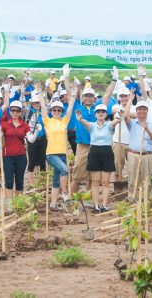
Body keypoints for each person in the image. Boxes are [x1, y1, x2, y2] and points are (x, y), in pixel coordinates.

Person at [69, 72, 116, 195]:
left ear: (94, 98)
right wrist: (66, 77)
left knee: (92, 175)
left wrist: (114, 80)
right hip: (82, 145)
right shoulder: (77, 108)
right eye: (86, 96)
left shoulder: (98, 108)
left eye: (91, 96)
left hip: (96, 146)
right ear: (83, 97)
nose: (88, 98)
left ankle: (89, 199)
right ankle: (71, 198)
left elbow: (107, 95)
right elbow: (70, 93)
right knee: (77, 175)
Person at [38, 66, 73, 211]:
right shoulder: (48, 121)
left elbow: (70, 107)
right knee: (65, 170)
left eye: (59, 110)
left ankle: (53, 203)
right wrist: (40, 93)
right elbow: (42, 106)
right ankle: (64, 193)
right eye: (54, 110)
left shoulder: (64, 121)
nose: (57, 112)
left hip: (63, 153)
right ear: (51, 111)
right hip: (51, 154)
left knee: (56, 179)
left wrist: (74, 93)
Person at [76, 104, 118, 212]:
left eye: (103, 112)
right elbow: (82, 121)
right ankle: (95, 206)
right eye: (98, 111)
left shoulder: (109, 125)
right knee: (95, 181)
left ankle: (104, 205)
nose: (100, 113)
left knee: (105, 182)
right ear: (95, 114)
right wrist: (79, 118)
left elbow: (117, 120)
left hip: (107, 152)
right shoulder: (91, 125)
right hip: (94, 152)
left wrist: (120, 114)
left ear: (105, 114)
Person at [123, 97, 152, 207]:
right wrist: (130, 98)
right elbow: (125, 115)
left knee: (146, 179)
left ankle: (146, 201)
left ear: (147, 111)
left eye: (144, 109)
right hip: (133, 154)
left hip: (147, 156)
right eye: (139, 109)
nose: (141, 111)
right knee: (132, 179)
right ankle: (132, 199)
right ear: (136, 111)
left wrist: (147, 129)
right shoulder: (132, 123)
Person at [0, 100, 32, 203]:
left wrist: (35, 132)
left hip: (21, 157)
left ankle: (18, 204)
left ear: (21, 112)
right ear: (9, 111)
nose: (14, 113)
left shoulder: (25, 126)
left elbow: (30, 139)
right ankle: (9, 203)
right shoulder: (4, 124)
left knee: (19, 181)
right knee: (8, 181)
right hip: (8, 156)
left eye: (17, 111)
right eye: (12, 110)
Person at [25, 92, 47, 184]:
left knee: (42, 160)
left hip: (43, 138)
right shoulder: (28, 112)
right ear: (32, 104)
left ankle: (42, 181)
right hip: (32, 139)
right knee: (32, 160)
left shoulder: (44, 112)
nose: (37, 105)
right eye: (34, 103)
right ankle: (31, 181)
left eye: (38, 103)